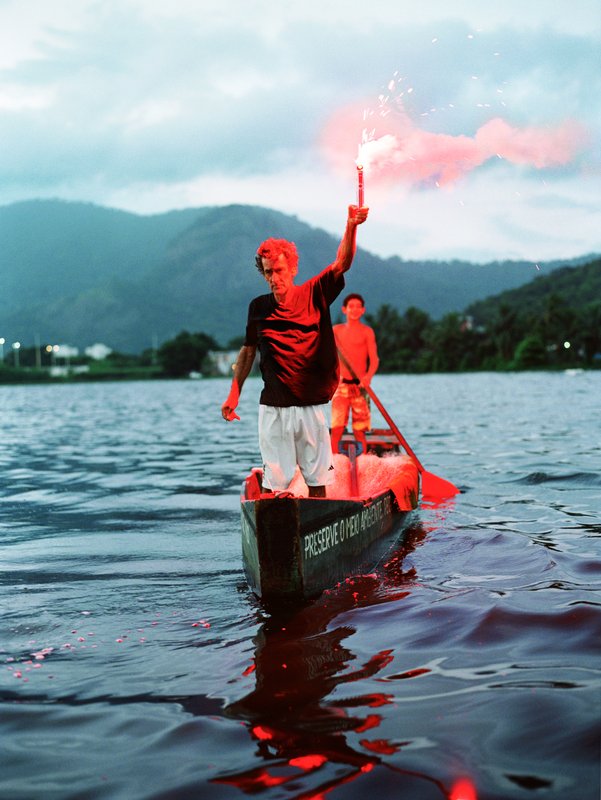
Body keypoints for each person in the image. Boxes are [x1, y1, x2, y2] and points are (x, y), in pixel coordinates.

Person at [221, 204, 369, 498]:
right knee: (273, 485)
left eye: (278, 271)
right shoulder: (258, 307)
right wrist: (233, 394)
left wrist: (351, 226)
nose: (274, 278)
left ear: (292, 269)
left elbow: (342, 263)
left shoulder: (315, 293)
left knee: (317, 483)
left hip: (311, 406)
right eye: (268, 273)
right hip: (273, 407)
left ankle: (318, 531)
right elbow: (248, 351)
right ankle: (272, 529)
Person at [330, 294, 379, 455]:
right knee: (337, 427)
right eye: (351, 306)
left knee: (360, 430)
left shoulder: (367, 332)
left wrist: (368, 377)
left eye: (358, 306)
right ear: (345, 309)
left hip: (361, 386)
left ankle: (363, 460)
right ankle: (333, 464)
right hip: (340, 386)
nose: (355, 310)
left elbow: (374, 360)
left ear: (363, 310)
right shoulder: (335, 331)